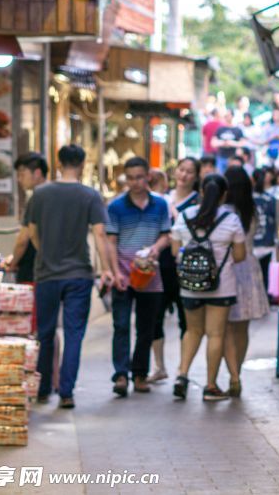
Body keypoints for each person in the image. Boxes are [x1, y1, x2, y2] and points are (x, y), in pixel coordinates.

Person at [25, 145, 117, 409]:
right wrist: (107, 268)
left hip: (46, 273)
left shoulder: (40, 194)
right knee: (74, 334)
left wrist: (46, 252)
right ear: (83, 163)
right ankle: (66, 392)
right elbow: (100, 234)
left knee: (45, 332)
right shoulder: (89, 195)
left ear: (58, 161)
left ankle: (42, 388)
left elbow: (31, 232)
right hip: (78, 274)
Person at [170, 174, 246, 401]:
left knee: (192, 331)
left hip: (189, 285)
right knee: (215, 334)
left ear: (202, 192)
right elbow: (240, 255)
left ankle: (182, 375)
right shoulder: (231, 220)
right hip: (221, 286)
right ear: (224, 195)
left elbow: (175, 252)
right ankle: (211, 386)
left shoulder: (184, 217)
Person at [106, 157, 171, 396]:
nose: (135, 183)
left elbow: (167, 235)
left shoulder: (160, 205)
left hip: (150, 276)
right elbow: (110, 242)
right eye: (130, 178)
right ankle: (121, 375)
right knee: (121, 325)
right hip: (123, 275)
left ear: (148, 178)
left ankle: (140, 374)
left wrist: (156, 248)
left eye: (139, 177)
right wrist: (115, 272)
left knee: (146, 327)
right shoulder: (116, 207)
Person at [149, 157, 199, 383]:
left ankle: (183, 368)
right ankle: (159, 366)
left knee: (185, 319)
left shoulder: (198, 202)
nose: (184, 175)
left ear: (196, 177)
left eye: (189, 172)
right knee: (155, 316)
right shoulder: (162, 199)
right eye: (181, 170)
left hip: (185, 267)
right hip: (162, 266)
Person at [223, 166, 269, 397]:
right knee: (242, 328)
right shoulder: (251, 211)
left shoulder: (223, 212)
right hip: (249, 269)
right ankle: (237, 373)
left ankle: (232, 375)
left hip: (227, 269)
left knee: (225, 327)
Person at [4, 152, 49, 284]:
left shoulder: (35, 198)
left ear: (37, 173)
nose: (19, 179)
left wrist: (13, 262)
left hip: (32, 267)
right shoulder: (57, 195)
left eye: (22, 174)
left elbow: (23, 239)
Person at [252, 168, 278, 297]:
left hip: (250, 243)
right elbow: (276, 219)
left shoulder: (247, 198)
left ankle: (254, 298)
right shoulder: (269, 199)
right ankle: (264, 298)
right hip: (266, 241)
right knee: (264, 272)